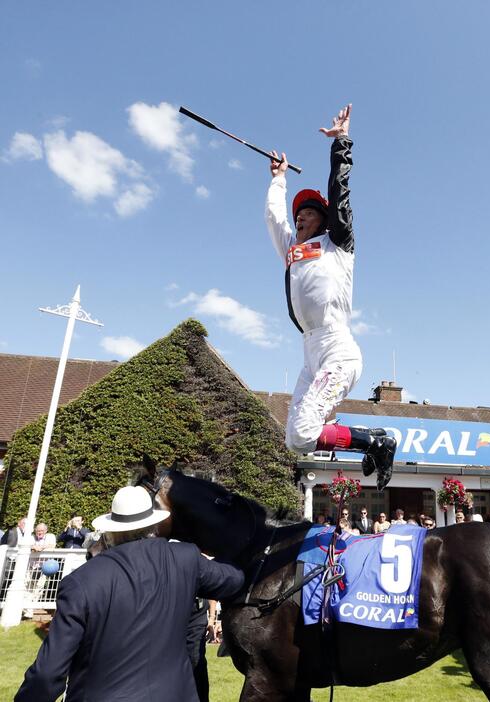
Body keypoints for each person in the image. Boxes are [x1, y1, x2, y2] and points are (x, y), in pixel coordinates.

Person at [265, 104, 396, 488]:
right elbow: (274, 219)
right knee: (296, 439)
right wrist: (278, 180)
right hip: (310, 356)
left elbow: (340, 195)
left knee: (306, 428)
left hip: (338, 350)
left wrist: (341, 143)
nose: (300, 217)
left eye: (308, 212)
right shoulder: (292, 249)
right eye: (298, 214)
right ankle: (370, 442)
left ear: (324, 220)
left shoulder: (338, 243)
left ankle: (378, 442)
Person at [15, 485, 244, 702]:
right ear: (153, 526)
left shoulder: (81, 581)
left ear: (111, 531)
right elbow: (234, 580)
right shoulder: (185, 559)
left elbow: (47, 674)